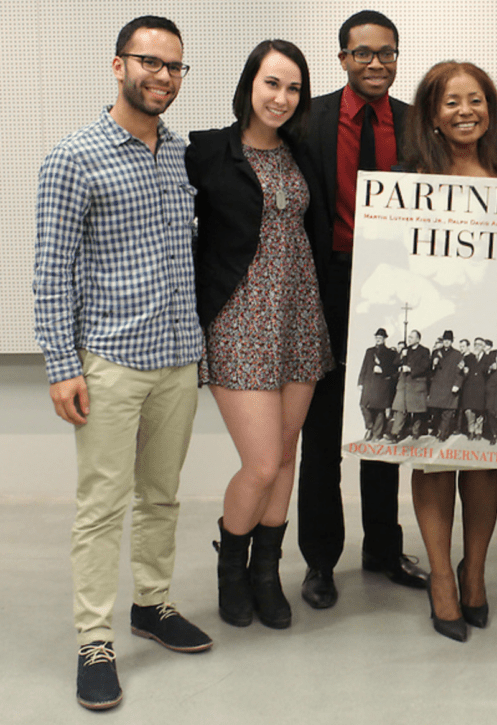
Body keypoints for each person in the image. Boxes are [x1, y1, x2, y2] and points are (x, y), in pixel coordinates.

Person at [33, 15, 212, 710]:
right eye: (150, 63)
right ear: (118, 66)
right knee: (102, 505)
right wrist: (60, 364)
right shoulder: (72, 157)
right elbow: (52, 272)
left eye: (174, 67)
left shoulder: (179, 153)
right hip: (109, 358)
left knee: (162, 494)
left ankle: (153, 604)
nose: (163, 77)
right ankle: (93, 639)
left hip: (176, 356)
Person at [187, 39, 332, 631]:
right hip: (240, 321)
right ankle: (232, 564)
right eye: (272, 83)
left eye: (293, 87)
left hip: (299, 318)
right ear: (250, 84)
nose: (282, 97)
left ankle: (266, 571)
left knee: (288, 452)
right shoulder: (206, 152)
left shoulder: (301, 151)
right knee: (263, 459)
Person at [297, 10, 427, 611]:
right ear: (343, 57)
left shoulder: (415, 124)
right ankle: (320, 560)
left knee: (386, 425)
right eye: (364, 53)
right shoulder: (308, 121)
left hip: (397, 291)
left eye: (388, 53)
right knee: (324, 432)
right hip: (327, 286)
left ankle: (382, 547)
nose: (377, 63)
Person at [402, 60, 497, 641]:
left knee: (482, 458)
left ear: (490, 109)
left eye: (475, 99)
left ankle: (474, 571)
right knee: (433, 457)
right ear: (431, 113)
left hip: (492, 348)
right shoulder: (405, 182)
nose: (465, 111)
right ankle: (440, 579)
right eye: (451, 101)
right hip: (431, 345)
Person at [388, 329, 431, 440]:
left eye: (412, 337)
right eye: (409, 337)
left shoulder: (424, 351)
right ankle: (394, 433)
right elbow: (395, 363)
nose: (409, 339)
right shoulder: (405, 350)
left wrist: (411, 369)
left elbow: (425, 366)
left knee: (416, 411)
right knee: (400, 409)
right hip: (404, 384)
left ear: (418, 339)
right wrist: (402, 356)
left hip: (416, 384)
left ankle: (415, 431)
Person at [358, 327, 398, 440]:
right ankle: (370, 427)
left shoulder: (391, 353)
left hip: (382, 385)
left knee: (380, 409)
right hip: (369, 384)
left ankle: (377, 434)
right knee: (363, 405)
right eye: (377, 337)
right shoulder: (369, 351)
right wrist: (360, 382)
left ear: (385, 338)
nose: (378, 339)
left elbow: (393, 370)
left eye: (380, 337)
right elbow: (364, 367)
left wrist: (382, 370)